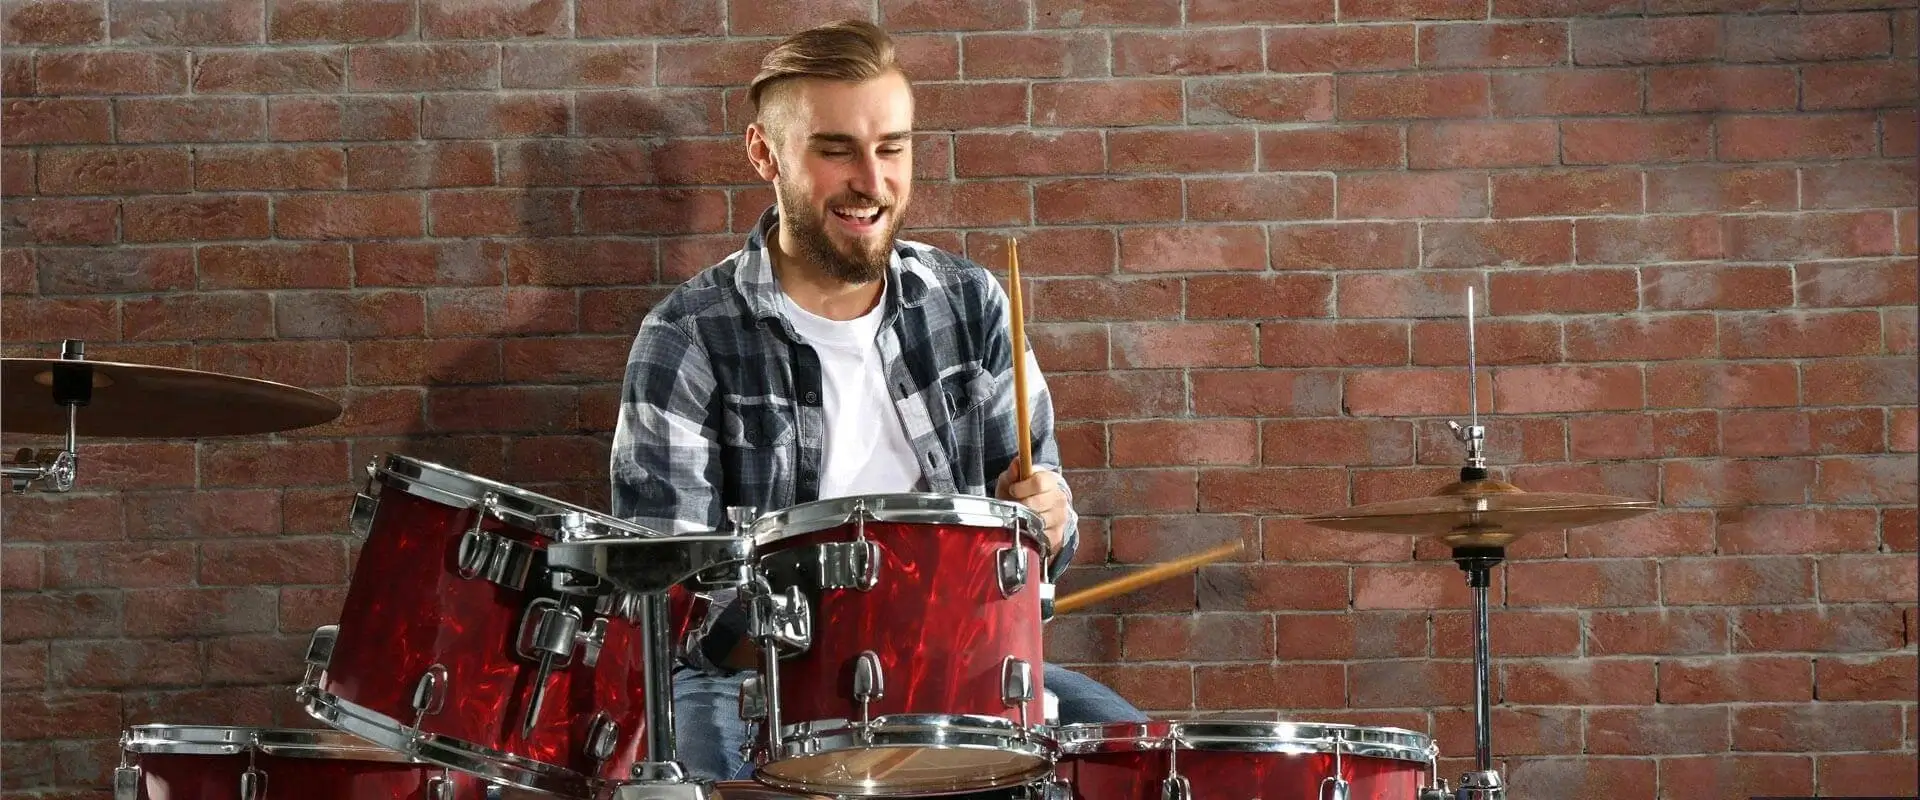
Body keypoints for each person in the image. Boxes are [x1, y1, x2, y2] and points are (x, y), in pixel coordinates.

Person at [609, 19, 1146, 785]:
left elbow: (1038, 545)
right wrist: (830, 615)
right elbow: (665, 600)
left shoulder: (972, 305)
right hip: (760, 681)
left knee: (1133, 755)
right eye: (836, 151)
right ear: (765, 152)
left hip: (959, 670)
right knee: (708, 774)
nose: (871, 179)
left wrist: (1050, 517)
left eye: (892, 148)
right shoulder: (686, 337)